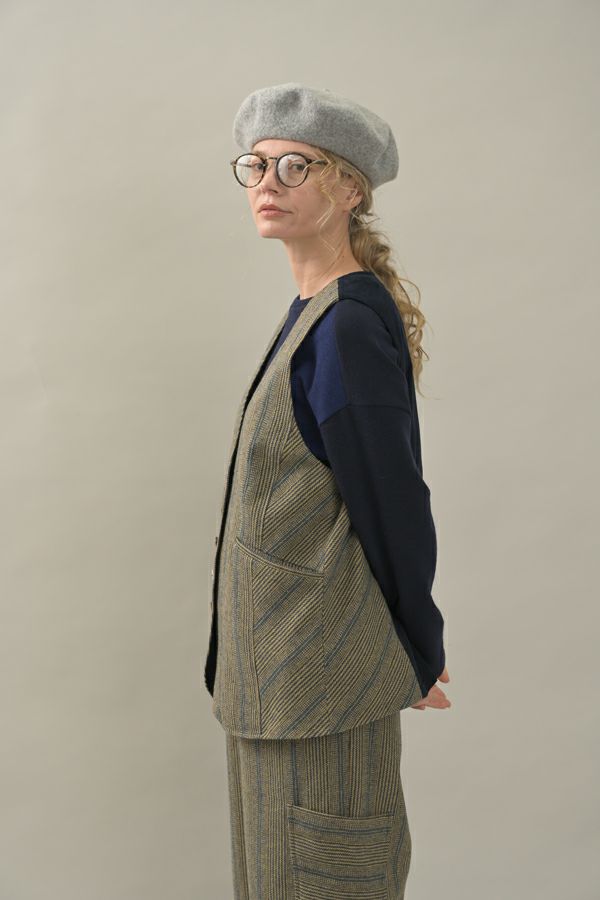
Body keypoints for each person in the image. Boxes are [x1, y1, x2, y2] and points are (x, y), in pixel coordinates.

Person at [204, 81, 451, 899]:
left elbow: (392, 499)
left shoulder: (344, 327)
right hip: (277, 684)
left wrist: (418, 647)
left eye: (295, 166)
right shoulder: (311, 314)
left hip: (319, 685)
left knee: (323, 880)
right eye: (257, 165)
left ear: (350, 189)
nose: (266, 183)